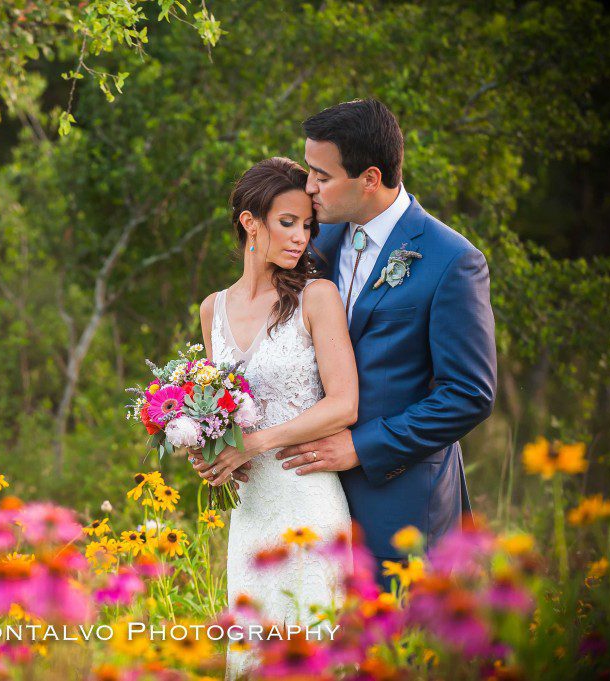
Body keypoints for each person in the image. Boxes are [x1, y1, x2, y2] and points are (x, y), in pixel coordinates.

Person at [273, 98, 498, 590]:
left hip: (403, 497)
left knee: (399, 653)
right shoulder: (316, 245)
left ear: (370, 178)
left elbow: (469, 395)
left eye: (321, 176)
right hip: (313, 495)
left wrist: (361, 446)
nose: (308, 188)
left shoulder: (452, 261)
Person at [193, 156, 357, 679]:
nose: (301, 239)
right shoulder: (212, 308)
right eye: (288, 223)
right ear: (250, 223)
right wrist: (207, 447)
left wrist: (256, 443)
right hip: (250, 511)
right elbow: (220, 409)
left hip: (307, 502)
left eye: (308, 226)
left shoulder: (317, 296)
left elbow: (343, 404)